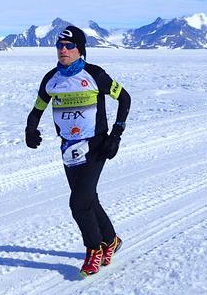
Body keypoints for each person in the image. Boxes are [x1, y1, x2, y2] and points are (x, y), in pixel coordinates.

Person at [24, 25, 131, 277]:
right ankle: (111, 240)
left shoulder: (95, 75)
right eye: (60, 46)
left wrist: (116, 134)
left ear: (80, 50)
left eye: (69, 46)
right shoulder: (51, 79)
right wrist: (30, 129)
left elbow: (125, 98)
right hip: (68, 148)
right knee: (88, 198)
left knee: (78, 203)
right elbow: (38, 108)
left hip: (96, 146)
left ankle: (93, 249)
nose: (63, 49)